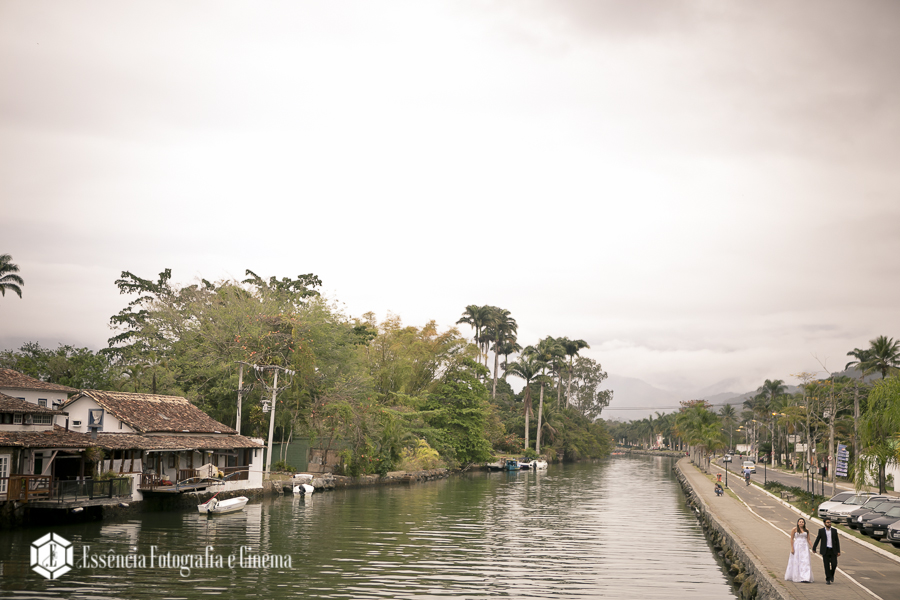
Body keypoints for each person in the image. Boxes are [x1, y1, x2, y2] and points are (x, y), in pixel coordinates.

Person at [812, 518, 841, 584]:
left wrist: (838, 551)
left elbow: (837, 541)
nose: (829, 523)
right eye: (828, 522)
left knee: (834, 564)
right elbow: (818, 539)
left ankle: (831, 575)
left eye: (830, 522)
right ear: (824, 523)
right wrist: (814, 548)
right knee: (826, 565)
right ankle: (828, 579)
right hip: (825, 550)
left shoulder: (834, 531)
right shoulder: (821, 531)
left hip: (833, 550)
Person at [784, 517, 814, 583]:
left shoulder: (806, 530)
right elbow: (791, 539)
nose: (801, 523)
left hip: (804, 547)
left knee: (805, 561)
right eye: (800, 522)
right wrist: (792, 548)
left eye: (802, 522)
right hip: (797, 546)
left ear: (804, 523)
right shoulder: (794, 529)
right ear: (798, 523)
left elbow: (808, 539)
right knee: (797, 560)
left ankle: (805, 577)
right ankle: (797, 576)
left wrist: (812, 547)